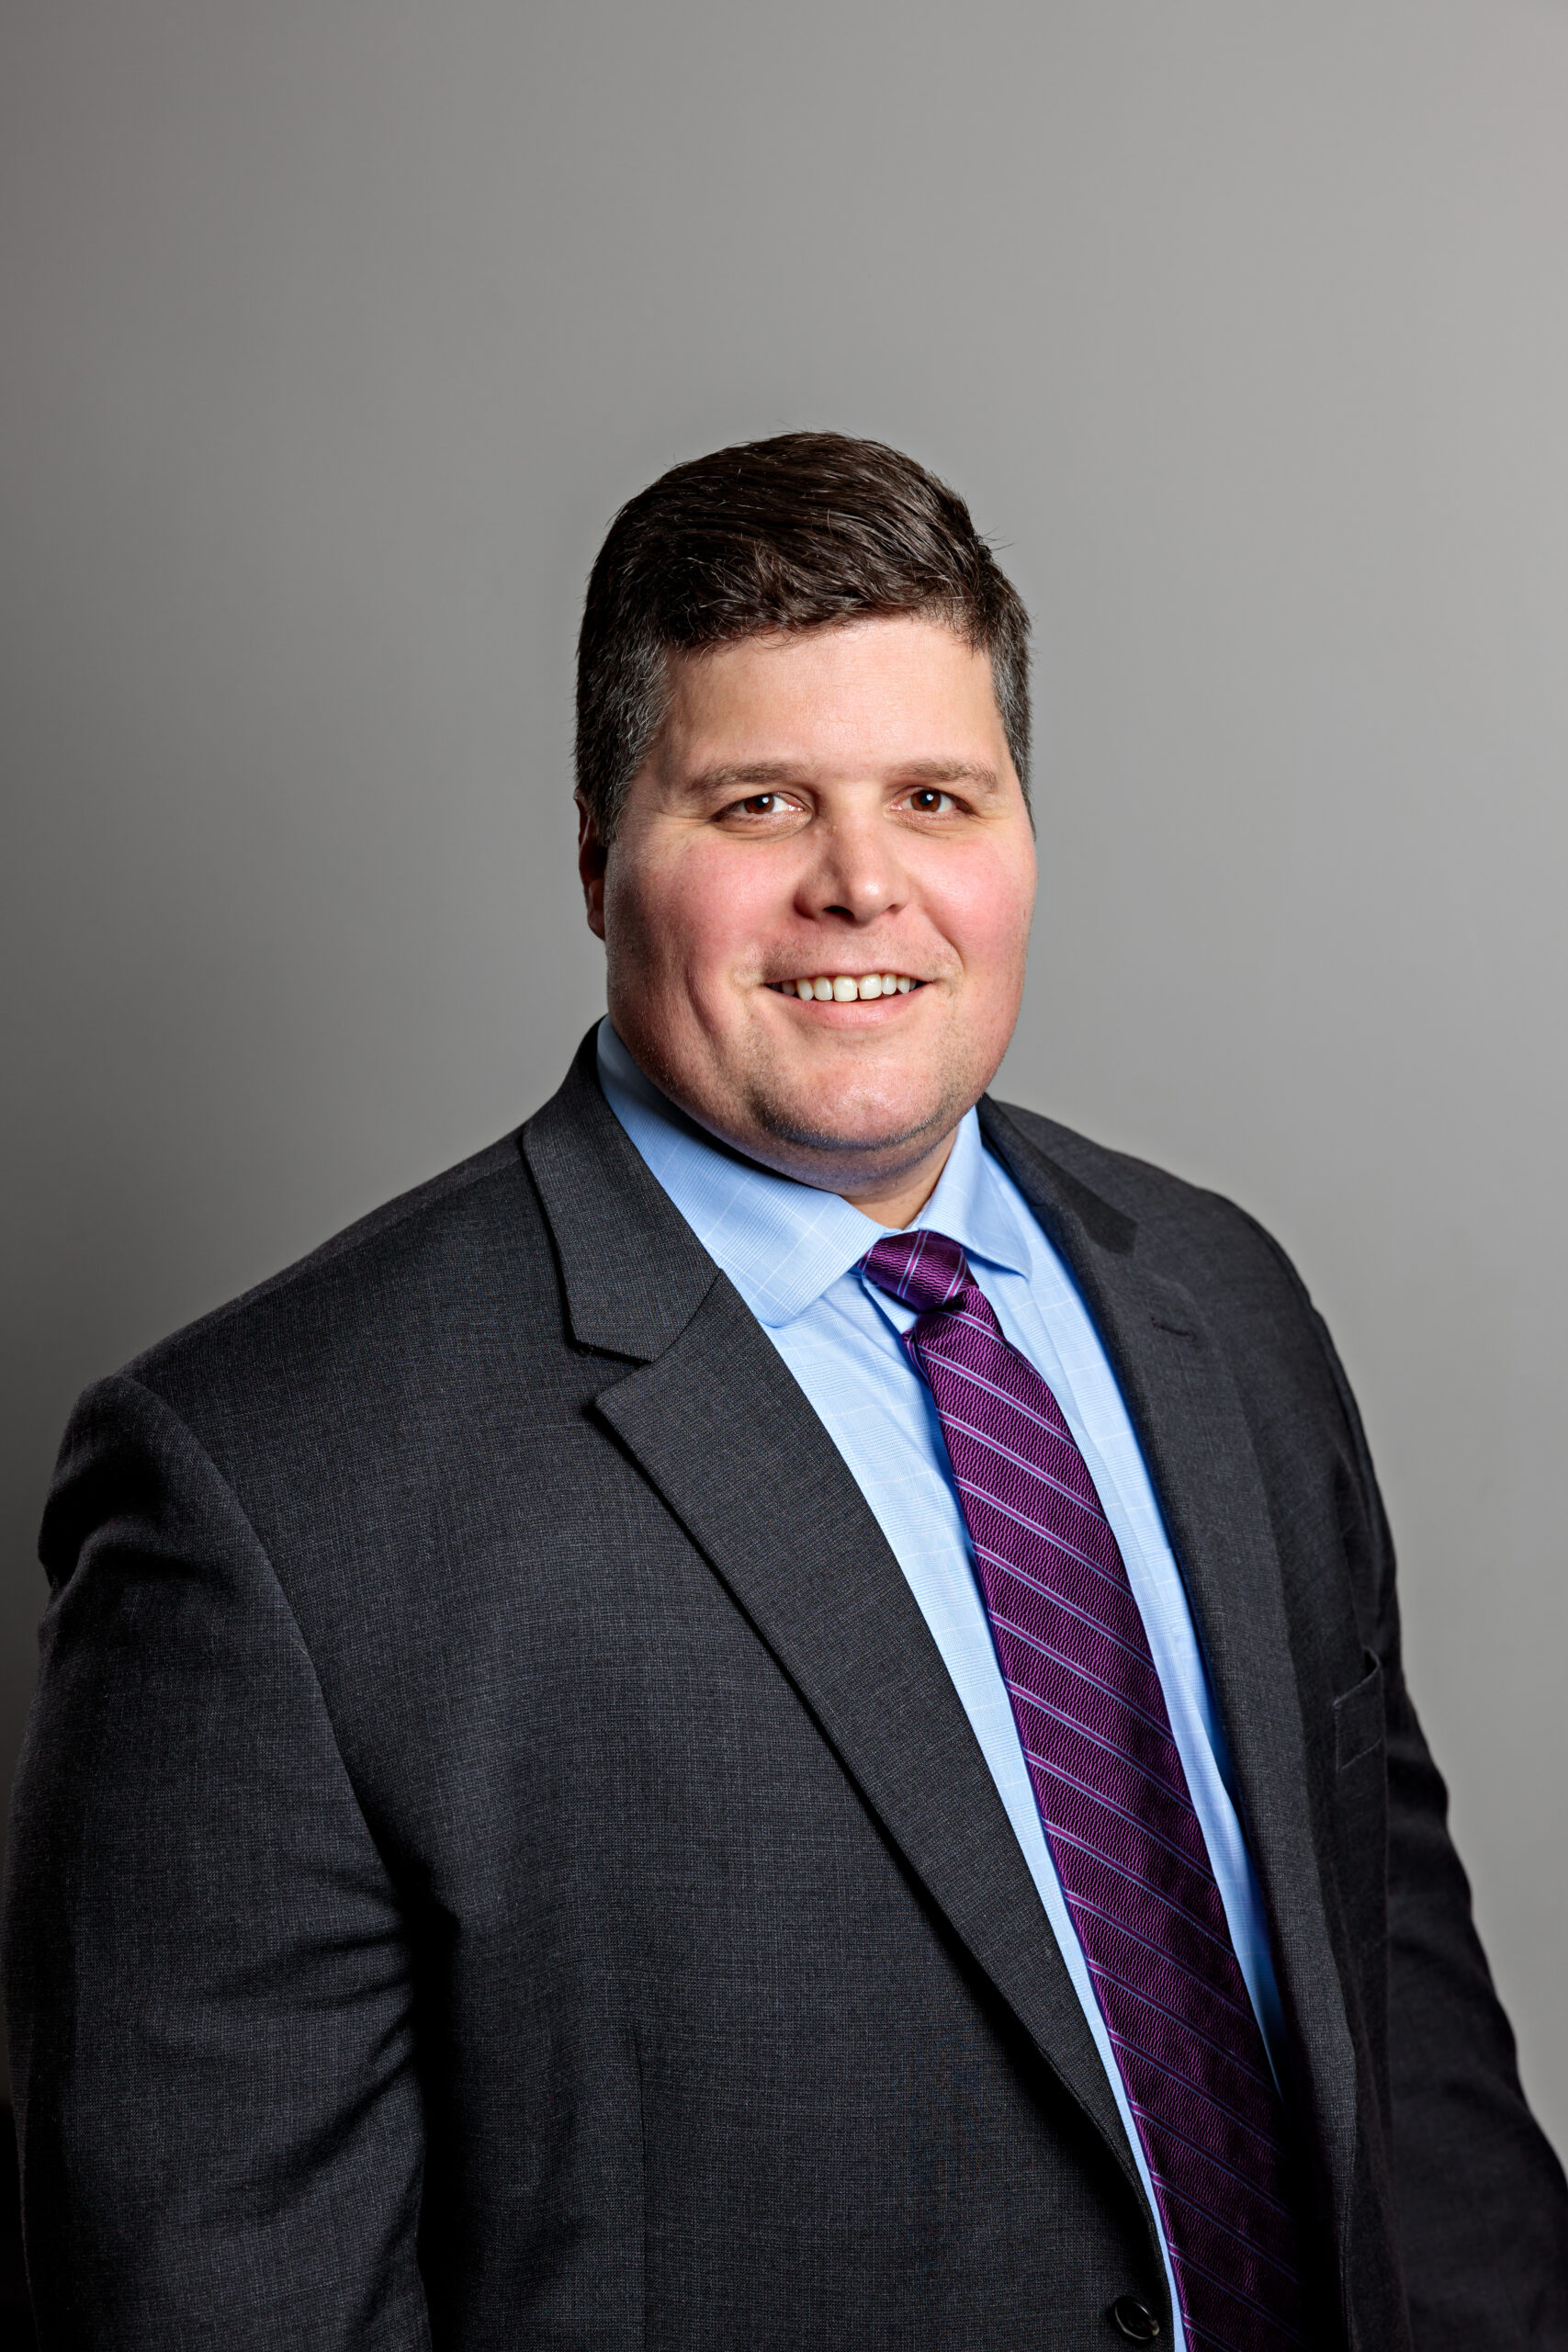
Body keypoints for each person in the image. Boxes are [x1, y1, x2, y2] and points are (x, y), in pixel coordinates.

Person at [6, 433, 1565, 2352]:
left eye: (935, 794)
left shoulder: (1219, 1307)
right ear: (594, 851)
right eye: (756, 802)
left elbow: (1413, 2083)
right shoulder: (267, 1491)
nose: (861, 886)